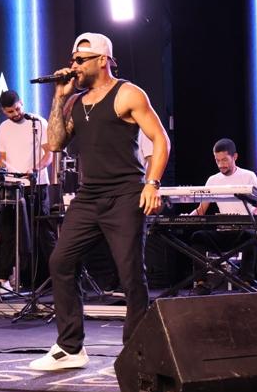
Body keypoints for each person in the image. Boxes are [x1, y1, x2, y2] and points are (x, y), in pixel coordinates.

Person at [29, 32, 170, 371]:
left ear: (102, 60)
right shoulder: (74, 102)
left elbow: (160, 139)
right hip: (89, 197)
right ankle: (70, 348)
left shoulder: (128, 94)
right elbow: (55, 144)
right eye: (72, 59)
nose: (74, 65)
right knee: (61, 261)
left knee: (130, 274)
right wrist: (58, 97)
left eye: (81, 60)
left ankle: (136, 352)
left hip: (125, 193)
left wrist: (152, 184)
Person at [0, 90, 54, 292]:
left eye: (17, 109)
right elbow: (2, 158)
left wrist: (36, 168)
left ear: (22, 103)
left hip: (36, 185)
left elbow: (49, 153)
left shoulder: (38, 122)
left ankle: (57, 276)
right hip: (12, 187)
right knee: (9, 232)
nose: (15, 113)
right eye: (10, 111)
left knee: (42, 232)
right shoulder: (3, 128)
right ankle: (3, 280)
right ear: (3, 111)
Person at [190, 138, 257, 295]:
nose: (221, 164)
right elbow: (201, 209)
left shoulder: (248, 176)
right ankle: (202, 283)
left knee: (252, 236)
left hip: (242, 232)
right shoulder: (213, 180)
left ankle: (246, 282)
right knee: (198, 237)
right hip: (223, 232)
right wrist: (185, 218)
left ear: (235, 157)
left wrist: (251, 218)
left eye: (224, 160)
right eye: (217, 160)